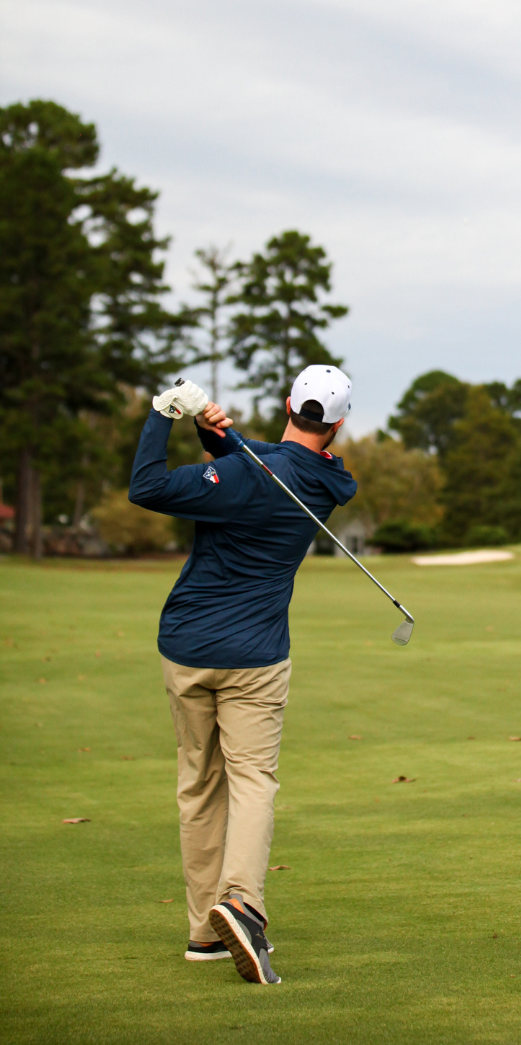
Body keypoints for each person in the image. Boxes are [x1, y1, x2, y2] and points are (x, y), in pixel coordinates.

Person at [129, 366, 357, 984]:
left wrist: (163, 413)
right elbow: (268, 465)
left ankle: (207, 930)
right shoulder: (330, 480)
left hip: (187, 646)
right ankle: (243, 904)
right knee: (252, 779)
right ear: (337, 422)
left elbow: (146, 485)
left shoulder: (241, 475)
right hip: (257, 657)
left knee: (200, 785)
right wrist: (217, 435)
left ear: (289, 403)